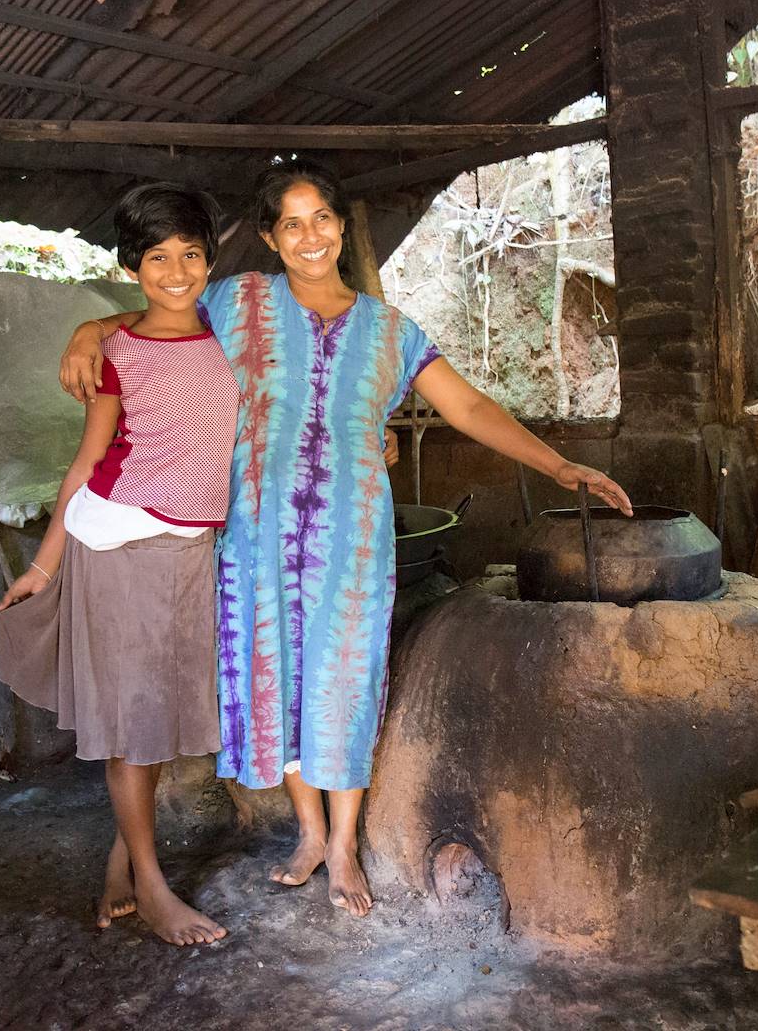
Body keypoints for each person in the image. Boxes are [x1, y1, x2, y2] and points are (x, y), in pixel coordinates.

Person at [60, 158, 633, 918]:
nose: (309, 236)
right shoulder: (237, 302)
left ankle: (342, 846)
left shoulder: (391, 332)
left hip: (352, 539)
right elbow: (154, 315)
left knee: (345, 679)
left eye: (321, 218)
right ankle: (305, 832)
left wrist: (559, 465)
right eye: (290, 223)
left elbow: (466, 407)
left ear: (340, 226)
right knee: (281, 678)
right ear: (269, 236)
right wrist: (85, 330)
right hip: (254, 535)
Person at [0, 183, 237, 946]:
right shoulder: (117, 351)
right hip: (116, 545)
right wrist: (43, 566)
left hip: (190, 549)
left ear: (211, 260)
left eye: (191, 254)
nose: (176, 271)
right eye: (156, 257)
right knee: (136, 727)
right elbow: (85, 462)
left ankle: (120, 860)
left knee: (158, 719)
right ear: (132, 266)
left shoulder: (235, 334)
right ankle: (157, 888)